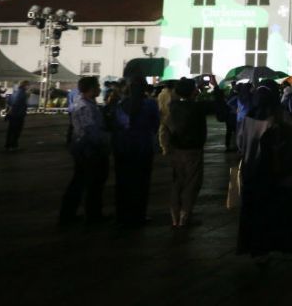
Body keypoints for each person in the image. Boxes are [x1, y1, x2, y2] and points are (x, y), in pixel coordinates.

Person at [237, 79, 292, 263]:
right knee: (287, 213)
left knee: (257, 213)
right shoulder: (281, 116)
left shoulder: (247, 118)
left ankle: (259, 250)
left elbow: (240, 145)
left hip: (253, 173)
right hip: (278, 172)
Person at [59, 76, 110, 225]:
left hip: (84, 148)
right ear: (91, 89)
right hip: (89, 150)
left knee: (82, 182)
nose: (100, 89)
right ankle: (91, 216)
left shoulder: (86, 103)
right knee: (90, 184)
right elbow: (90, 131)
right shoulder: (85, 107)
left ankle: (73, 215)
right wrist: (105, 143)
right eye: (97, 86)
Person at [112, 79, 160, 227]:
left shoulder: (121, 104)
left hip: (123, 148)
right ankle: (138, 215)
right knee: (141, 184)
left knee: (123, 183)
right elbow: (155, 124)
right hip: (143, 147)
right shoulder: (150, 104)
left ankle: (122, 214)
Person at [161, 77, 207, 228]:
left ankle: (174, 216)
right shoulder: (196, 108)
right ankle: (185, 216)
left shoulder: (173, 107)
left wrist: (166, 146)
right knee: (192, 183)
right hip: (193, 150)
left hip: (176, 150)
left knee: (177, 182)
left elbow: (165, 127)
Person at [4, 80, 30, 151]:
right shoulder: (22, 93)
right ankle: (13, 146)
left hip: (13, 115)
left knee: (11, 131)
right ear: (25, 85)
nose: (29, 87)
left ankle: (8, 145)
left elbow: (9, 102)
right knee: (16, 131)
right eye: (28, 85)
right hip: (18, 115)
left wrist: (8, 112)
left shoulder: (14, 92)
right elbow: (16, 103)